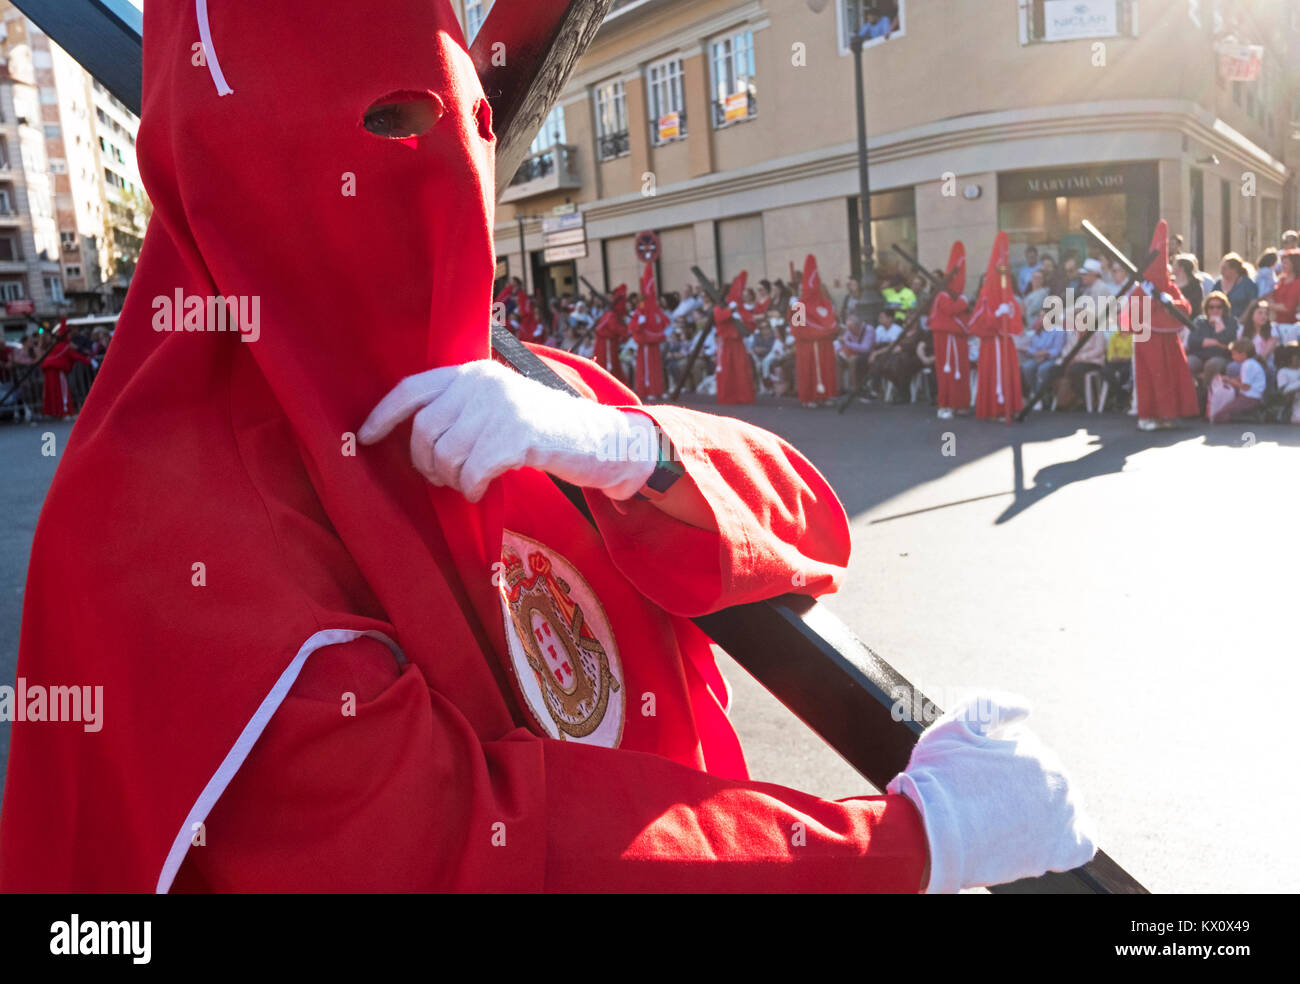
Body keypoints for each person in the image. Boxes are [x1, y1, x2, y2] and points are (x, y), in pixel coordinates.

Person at [0, 0, 1096, 896]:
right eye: (384, 124)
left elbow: (805, 529)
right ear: (226, 157)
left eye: (467, 125)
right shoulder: (153, 519)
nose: (435, 176)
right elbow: (453, 853)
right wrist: (916, 845)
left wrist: (625, 448)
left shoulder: (510, 389)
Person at [1129, 221, 1198, 431]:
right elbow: (1131, 315)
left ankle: (1168, 413)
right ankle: (1148, 415)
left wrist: (1171, 303)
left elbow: (1186, 308)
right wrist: (1153, 302)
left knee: (1171, 375)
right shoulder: (1142, 289)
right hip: (1148, 340)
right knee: (1151, 377)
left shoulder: (1170, 287)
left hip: (1169, 340)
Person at [969, 232, 1024, 422]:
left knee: (1007, 375)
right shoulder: (984, 298)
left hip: (1005, 343)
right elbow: (977, 323)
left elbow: (1017, 322)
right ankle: (993, 409)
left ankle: (1010, 407)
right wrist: (996, 315)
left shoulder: (1008, 296)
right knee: (993, 375)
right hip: (991, 345)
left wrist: (1009, 313)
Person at [790, 254, 841, 407]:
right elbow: (796, 330)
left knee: (826, 370)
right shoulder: (799, 305)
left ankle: (824, 396)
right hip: (806, 346)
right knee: (808, 371)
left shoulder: (825, 304)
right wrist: (793, 310)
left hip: (823, 345)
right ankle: (809, 398)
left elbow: (832, 325)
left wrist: (817, 333)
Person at [928, 242, 971, 420]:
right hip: (946, 340)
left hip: (956, 340)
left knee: (960, 371)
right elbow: (951, 311)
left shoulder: (950, 296)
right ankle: (946, 404)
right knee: (947, 372)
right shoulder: (943, 296)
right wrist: (963, 302)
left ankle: (960, 403)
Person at [713, 272, 756, 405]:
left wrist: (740, 318)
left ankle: (743, 396)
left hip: (737, 343)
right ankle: (727, 397)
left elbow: (751, 323)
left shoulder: (740, 307)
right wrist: (729, 312)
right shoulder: (721, 307)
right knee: (726, 370)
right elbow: (718, 317)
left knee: (741, 369)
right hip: (725, 343)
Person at [630, 261, 669, 400]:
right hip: (645, 346)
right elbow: (632, 326)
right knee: (646, 370)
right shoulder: (640, 311)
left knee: (656, 369)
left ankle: (657, 389)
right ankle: (647, 389)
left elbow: (665, 322)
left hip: (654, 346)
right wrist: (640, 324)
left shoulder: (655, 310)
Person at [1208, 338, 1266, 423]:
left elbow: (1245, 387)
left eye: (1234, 354)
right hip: (1249, 396)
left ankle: (1248, 419)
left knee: (1219, 416)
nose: (1232, 357)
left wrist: (1230, 381)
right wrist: (1226, 379)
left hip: (1250, 398)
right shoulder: (1250, 363)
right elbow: (1239, 379)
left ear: (1243, 354)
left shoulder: (1247, 365)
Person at [1185, 291, 1237, 384]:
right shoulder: (1200, 321)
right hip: (1199, 356)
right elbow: (1192, 342)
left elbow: (1227, 343)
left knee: (1212, 364)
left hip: (1220, 357)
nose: (1215, 310)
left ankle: (1206, 393)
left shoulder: (1231, 322)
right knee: (1188, 362)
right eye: (1211, 307)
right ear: (1207, 308)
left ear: (1224, 308)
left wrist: (1218, 323)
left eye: (1219, 307)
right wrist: (1216, 342)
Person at [592, 283, 630, 385]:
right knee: (609, 366)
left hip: (609, 343)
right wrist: (625, 332)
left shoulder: (610, 314)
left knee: (613, 365)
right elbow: (614, 328)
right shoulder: (610, 315)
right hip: (606, 344)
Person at [836, 314, 875, 398]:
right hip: (853, 353)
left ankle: (854, 388)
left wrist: (847, 344)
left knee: (852, 359)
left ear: (859, 325)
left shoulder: (868, 330)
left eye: (852, 329)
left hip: (867, 356)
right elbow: (844, 343)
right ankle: (839, 388)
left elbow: (865, 348)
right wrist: (841, 346)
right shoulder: (849, 330)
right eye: (849, 329)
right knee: (837, 357)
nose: (851, 332)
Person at [1213, 252, 1258, 319]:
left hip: (1242, 323)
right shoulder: (1218, 284)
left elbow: (1253, 303)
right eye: (1221, 268)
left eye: (1224, 268)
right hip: (1220, 323)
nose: (1221, 271)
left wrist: (1243, 319)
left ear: (1234, 270)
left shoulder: (1247, 283)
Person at [1269, 251, 1300, 343]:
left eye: (1286, 263)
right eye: (1282, 262)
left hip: (1290, 326)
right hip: (1276, 324)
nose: (1283, 265)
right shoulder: (1281, 280)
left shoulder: (1297, 283)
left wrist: (1269, 305)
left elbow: (1288, 307)